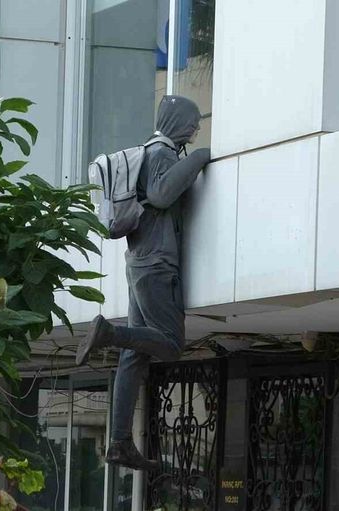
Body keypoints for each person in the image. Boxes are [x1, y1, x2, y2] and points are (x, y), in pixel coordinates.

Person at [74, 95, 211, 471]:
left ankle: (119, 442)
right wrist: (201, 157)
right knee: (171, 345)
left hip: (139, 263)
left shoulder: (148, 154)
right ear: (177, 122)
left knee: (135, 355)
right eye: (193, 122)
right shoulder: (162, 155)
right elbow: (163, 195)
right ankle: (109, 334)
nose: (197, 128)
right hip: (157, 266)